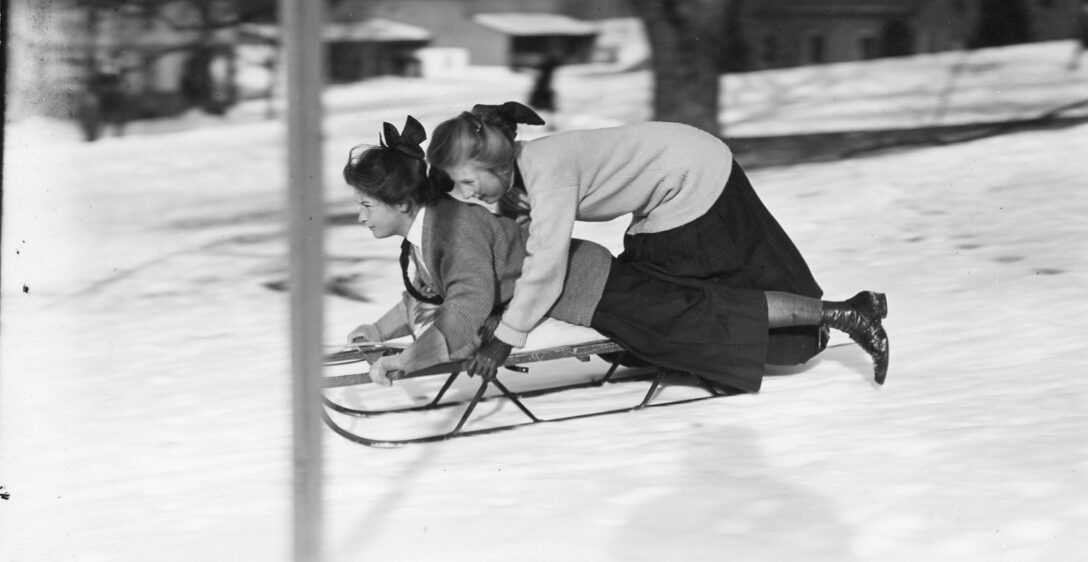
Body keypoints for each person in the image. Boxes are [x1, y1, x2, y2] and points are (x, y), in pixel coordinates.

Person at [346, 117, 889, 393]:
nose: (465, 195)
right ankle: (836, 312)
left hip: (688, 178)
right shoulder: (483, 199)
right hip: (636, 222)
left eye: (469, 182)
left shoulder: (543, 174)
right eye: (456, 186)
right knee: (693, 304)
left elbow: (540, 268)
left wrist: (503, 340)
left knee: (705, 308)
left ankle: (844, 314)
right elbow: (444, 283)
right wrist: (385, 328)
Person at [342, 116, 610, 385]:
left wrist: (407, 361)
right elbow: (423, 294)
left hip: (589, 287)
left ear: (401, 202)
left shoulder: (454, 230)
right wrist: (377, 331)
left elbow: (468, 304)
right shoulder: (427, 231)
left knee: (649, 340)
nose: (361, 217)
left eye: (367, 205)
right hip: (564, 287)